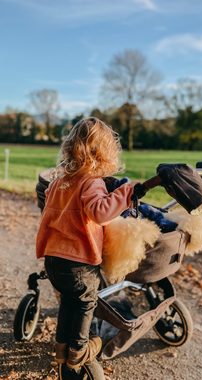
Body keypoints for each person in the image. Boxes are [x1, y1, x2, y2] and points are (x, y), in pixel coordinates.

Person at [36, 117, 141, 375]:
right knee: (85, 302)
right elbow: (100, 212)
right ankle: (78, 352)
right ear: (104, 153)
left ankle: (61, 350)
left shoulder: (60, 181)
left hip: (53, 259)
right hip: (78, 262)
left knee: (68, 303)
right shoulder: (91, 182)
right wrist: (126, 193)